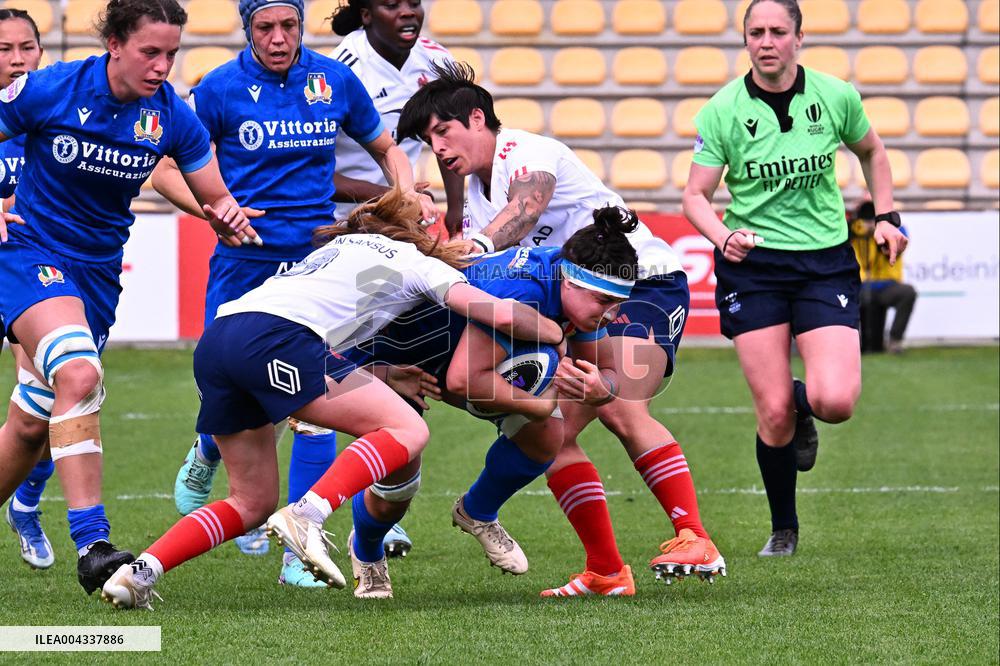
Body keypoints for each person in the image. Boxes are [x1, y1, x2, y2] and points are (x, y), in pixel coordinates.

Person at [100, 188, 564, 609]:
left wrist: (381, 373)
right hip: (277, 338)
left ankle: (139, 573)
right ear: (415, 232)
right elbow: (495, 310)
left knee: (250, 503)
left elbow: (340, 322)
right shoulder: (417, 261)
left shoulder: (341, 245)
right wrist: (555, 332)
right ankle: (309, 513)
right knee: (408, 429)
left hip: (221, 338)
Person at [398, 62, 727, 596]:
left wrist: (474, 248)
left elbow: (528, 207)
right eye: (426, 140)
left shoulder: (525, 152)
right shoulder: (476, 198)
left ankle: (694, 535)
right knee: (551, 430)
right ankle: (605, 572)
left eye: (442, 131)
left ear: (477, 118)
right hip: (566, 305)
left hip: (637, 286)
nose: (436, 148)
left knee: (617, 403)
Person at [153, 0, 433, 582]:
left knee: (314, 411)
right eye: (265, 28)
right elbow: (162, 166)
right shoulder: (219, 89)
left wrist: (402, 197)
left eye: (289, 26)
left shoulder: (333, 79)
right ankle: (205, 451)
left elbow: (387, 149)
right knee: (237, 396)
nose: (279, 39)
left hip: (315, 267)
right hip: (243, 265)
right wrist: (213, 209)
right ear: (247, 29)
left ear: (302, 26)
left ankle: (297, 552)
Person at [0, 0, 259, 595]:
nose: (162, 65)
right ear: (115, 43)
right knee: (80, 375)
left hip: (96, 276)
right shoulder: (53, 88)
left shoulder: (171, 116)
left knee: (31, 424)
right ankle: (92, 544)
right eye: (150, 52)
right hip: (31, 253)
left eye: (171, 53)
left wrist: (227, 214)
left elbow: (210, 191)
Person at [682, 0, 908, 556]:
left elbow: (873, 153)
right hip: (753, 267)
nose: (766, 41)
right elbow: (694, 196)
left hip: (824, 262)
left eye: (777, 31)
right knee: (774, 411)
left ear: (798, 38)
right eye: (755, 32)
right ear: (746, 40)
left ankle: (805, 406)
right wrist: (719, 235)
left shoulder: (835, 95)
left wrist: (887, 215)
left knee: (835, 401)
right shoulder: (722, 111)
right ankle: (784, 527)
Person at [345, 205, 641, 597]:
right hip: (392, 359)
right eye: (604, 301)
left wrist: (603, 389)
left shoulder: (570, 286)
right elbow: (465, 381)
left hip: (452, 357)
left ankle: (477, 511)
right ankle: (365, 551)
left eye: (618, 303)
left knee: (548, 436)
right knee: (396, 491)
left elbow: (608, 370)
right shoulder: (525, 290)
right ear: (569, 281)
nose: (611, 313)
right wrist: (537, 402)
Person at [0, 7, 58, 572]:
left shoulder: (51, 104)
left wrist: (212, 206)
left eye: (27, 47)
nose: (18, 59)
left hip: (30, 269)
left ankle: (27, 502)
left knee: (41, 407)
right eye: (4, 49)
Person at [329, 0, 465, 236]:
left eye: (415, 3)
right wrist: (391, 195)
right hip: (341, 219)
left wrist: (455, 211)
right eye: (392, 5)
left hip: (403, 217)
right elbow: (314, 173)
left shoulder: (438, 61)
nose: (408, 12)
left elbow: (450, 139)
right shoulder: (340, 73)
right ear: (367, 15)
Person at [850, 201, 916, 354]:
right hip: (861, 285)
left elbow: (898, 245)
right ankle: (850, 345)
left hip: (887, 285)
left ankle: (895, 341)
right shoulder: (855, 229)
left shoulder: (893, 229)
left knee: (907, 293)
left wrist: (878, 233)